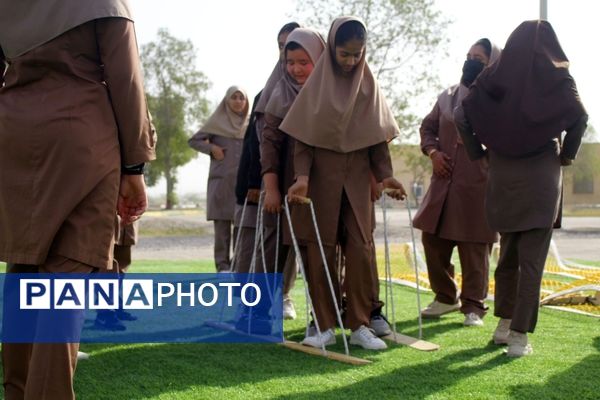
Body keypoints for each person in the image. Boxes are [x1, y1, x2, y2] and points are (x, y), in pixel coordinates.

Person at [0, 0, 156, 398]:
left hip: (14, 136)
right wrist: (135, 168)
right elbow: (127, 81)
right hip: (83, 141)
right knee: (65, 283)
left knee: (24, 270)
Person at [454, 20, 587, 356]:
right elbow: (580, 117)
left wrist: (479, 154)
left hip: (502, 173)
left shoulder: (493, 76)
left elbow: (461, 114)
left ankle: (503, 325)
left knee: (508, 256)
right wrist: (567, 155)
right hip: (542, 174)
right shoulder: (559, 77)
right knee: (532, 262)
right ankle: (518, 337)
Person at [282, 17, 406, 350]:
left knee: (361, 250)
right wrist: (303, 178)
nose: (351, 61)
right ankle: (323, 324)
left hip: (356, 183)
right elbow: (303, 140)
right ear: (332, 49)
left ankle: (360, 324)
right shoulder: (316, 88)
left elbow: (378, 138)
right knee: (320, 250)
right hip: (321, 181)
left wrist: (385, 175)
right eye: (344, 54)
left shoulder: (369, 86)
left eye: (357, 54)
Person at [413, 38, 500, 327]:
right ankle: (445, 297)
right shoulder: (447, 96)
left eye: (479, 58)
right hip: (443, 185)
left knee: (474, 248)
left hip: (479, 186)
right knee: (432, 240)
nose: (471, 61)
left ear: (494, 65)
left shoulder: (502, 100)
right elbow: (427, 128)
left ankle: (473, 306)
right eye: (469, 55)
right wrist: (433, 152)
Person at [234, 22, 300, 319]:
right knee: (264, 244)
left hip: (305, 184)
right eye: (283, 48)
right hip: (270, 183)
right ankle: (252, 304)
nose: (288, 57)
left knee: (296, 244)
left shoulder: (320, 90)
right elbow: (255, 143)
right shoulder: (267, 92)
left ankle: (285, 296)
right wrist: (256, 182)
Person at [189, 86, 249, 272]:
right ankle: (222, 267)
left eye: (241, 98)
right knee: (222, 229)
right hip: (221, 182)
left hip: (244, 184)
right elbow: (194, 140)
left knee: (242, 227)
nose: (238, 101)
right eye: (234, 97)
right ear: (226, 101)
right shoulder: (216, 123)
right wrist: (212, 149)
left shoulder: (251, 124)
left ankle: (239, 266)